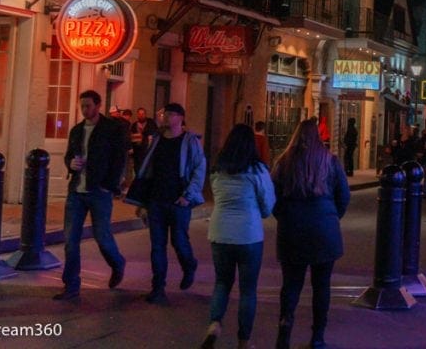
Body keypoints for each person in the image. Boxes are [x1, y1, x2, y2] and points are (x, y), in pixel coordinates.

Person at [272, 117, 350, 349]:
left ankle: (284, 331)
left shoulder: (283, 162)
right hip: (323, 230)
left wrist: (285, 216)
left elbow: (272, 198)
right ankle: (317, 336)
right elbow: (343, 196)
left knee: (291, 285)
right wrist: (331, 216)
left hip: (292, 229)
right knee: (321, 285)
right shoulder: (331, 161)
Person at [202, 124, 276, 349]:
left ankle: (215, 323)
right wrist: (260, 212)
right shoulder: (257, 170)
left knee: (222, 283)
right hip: (248, 235)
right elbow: (268, 203)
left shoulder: (217, 169)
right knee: (248, 290)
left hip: (220, 233)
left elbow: (216, 198)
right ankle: (244, 341)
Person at [130, 102, 206, 304]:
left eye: (171, 114)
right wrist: (143, 201)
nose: (166, 117)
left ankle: (189, 265)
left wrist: (188, 195)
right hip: (156, 199)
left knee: (179, 241)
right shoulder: (156, 140)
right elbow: (148, 170)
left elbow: (199, 169)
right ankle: (158, 288)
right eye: (165, 114)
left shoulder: (190, 141)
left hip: (178, 201)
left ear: (180, 118)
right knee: (157, 246)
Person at [55, 90, 127, 301]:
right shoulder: (77, 130)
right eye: (82, 106)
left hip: (99, 190)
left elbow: (118, 159)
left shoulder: (111, 129)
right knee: (71, 239)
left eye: (88, 105)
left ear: (98, 105)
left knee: (102, 236)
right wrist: (70, 163)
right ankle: (71, 285)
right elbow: (70, 153)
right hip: (77, 190)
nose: (84, 109)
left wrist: (110, 185)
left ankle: (117, 262)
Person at [130, 107, 158, 174]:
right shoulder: (134, 125)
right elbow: (131, 138)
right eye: (139, 114)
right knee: (138, 170)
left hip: (148, 151)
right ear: (137, 115)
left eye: (143, 114)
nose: (141, 115)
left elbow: (155, 135)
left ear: (145, 114)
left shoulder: (151, 124)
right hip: (137, 152)